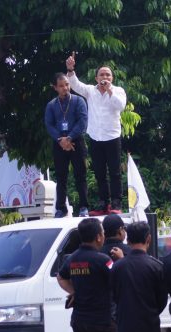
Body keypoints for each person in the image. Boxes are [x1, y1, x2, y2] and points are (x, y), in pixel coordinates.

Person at [66, 54, 127, 216]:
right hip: (95, 137)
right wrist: (70, 69)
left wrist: (109, 91)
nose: (105, 77)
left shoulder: (118, 91)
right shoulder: (90, 91)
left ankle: (116, 202)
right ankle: (103, 203)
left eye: (108, 74)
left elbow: (120, 106)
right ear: (96, 77)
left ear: (112, 78)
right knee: (99, 172)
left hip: (112, 137)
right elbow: (75, 85)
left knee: (114, 172)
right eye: (102, 74)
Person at [44, 72, 89, 218]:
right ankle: (61, 209)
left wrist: (69, 138)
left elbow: (82, 122)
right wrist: (61, 140)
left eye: (67, 84)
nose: (65, 88)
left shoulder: (79, 101)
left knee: (80, 174)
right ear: (55, 88)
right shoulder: (51, 105)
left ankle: (83, 207)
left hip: (76, 141)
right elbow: (49, 124)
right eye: (61, 86)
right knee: (61, 176)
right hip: (59, 143)